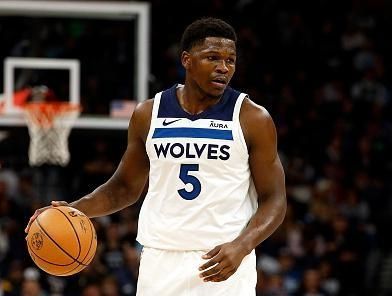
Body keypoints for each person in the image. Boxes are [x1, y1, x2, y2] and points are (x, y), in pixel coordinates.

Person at [25, 17, 287, 295]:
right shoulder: (149, 114)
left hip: (224, 261)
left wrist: (243, 245)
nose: (223, 68)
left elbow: (275, 199)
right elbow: (124, 187)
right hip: (159, 260)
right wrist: (73, 209)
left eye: (230, 60)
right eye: (213, 57)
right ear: (187, 59)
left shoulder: (252, 118)